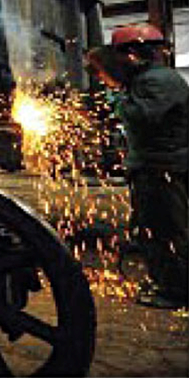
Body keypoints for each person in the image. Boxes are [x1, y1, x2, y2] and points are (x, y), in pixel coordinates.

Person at [86, 23, 189, 309]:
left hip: (163, 168)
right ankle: (166, 281)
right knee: (153, 228)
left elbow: (141, 116)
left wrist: (117, 97)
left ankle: (175, 291)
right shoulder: (149, 79)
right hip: (156, 166)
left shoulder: (158, 81)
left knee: (167, 231)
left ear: (132, 54)